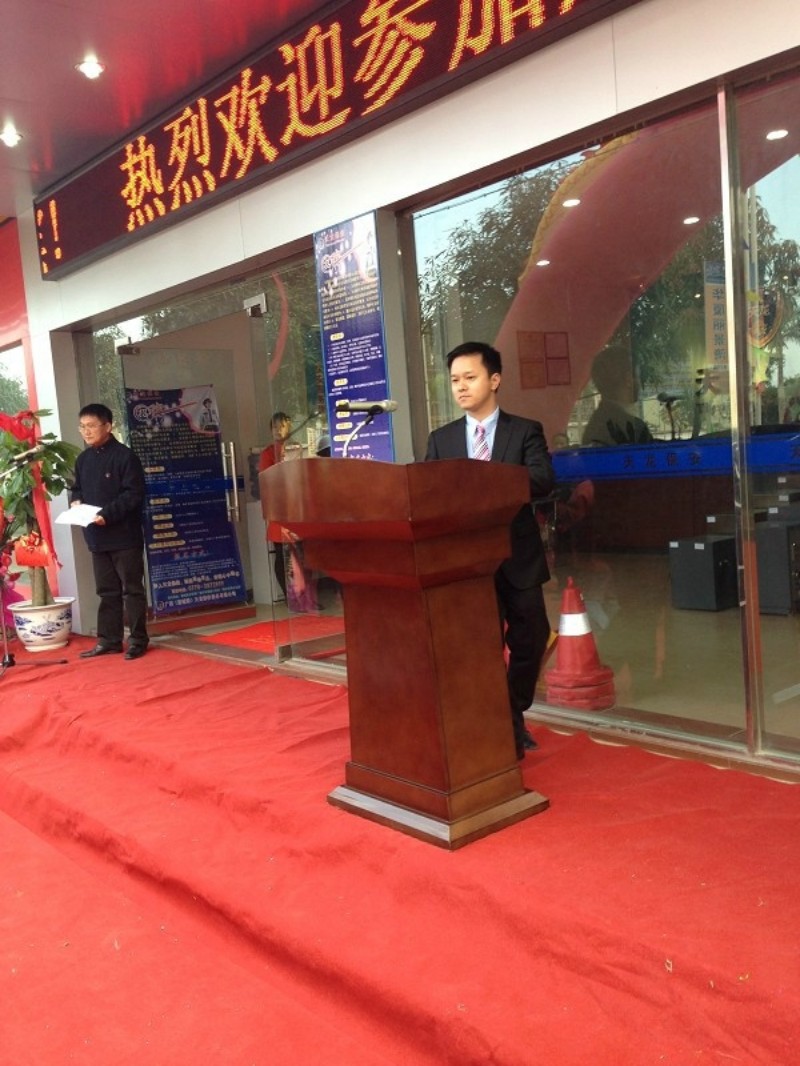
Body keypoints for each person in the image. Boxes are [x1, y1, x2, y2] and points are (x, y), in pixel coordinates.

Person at [425, 341, 555, 760]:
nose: (461, 387)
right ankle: (502, 726)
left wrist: (482, 482)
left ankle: (511, 710)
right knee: (481, 649)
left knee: (532, 639)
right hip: (467, 562)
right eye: (454, 380)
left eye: (470, 377)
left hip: (518, 557)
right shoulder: (441, 440)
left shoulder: (525, 430)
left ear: (494, 380)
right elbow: (429, 493)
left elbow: (542, 479)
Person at [71, 403, 149, 660]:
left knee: (132, 590)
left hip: (124, 536)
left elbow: (133, 494)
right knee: (106, 591)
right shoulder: (83, 459)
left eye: (91, 426)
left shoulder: (125, 457)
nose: (86, 431)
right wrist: (76, 501)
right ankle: (109, 640)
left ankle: (138, 640)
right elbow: (77, 488)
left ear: (108, 426)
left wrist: (107, 514)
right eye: (82, 426)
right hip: (96, 536)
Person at [582, 345, 654, 445]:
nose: (639, 383)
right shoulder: (634, 429)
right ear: (628, 379)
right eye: (638, 376)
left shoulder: (594, 426)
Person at [258, 412, 292, 599]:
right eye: (274, 427)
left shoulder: (295, 448)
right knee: (282, 554)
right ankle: (289, 596)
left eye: (282, 426)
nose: (278, 431)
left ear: (289, 427)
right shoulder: (269, 453)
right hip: (280, 509)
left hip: (297, 508)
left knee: (300, 554)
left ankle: (304, 595)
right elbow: (267, 481)